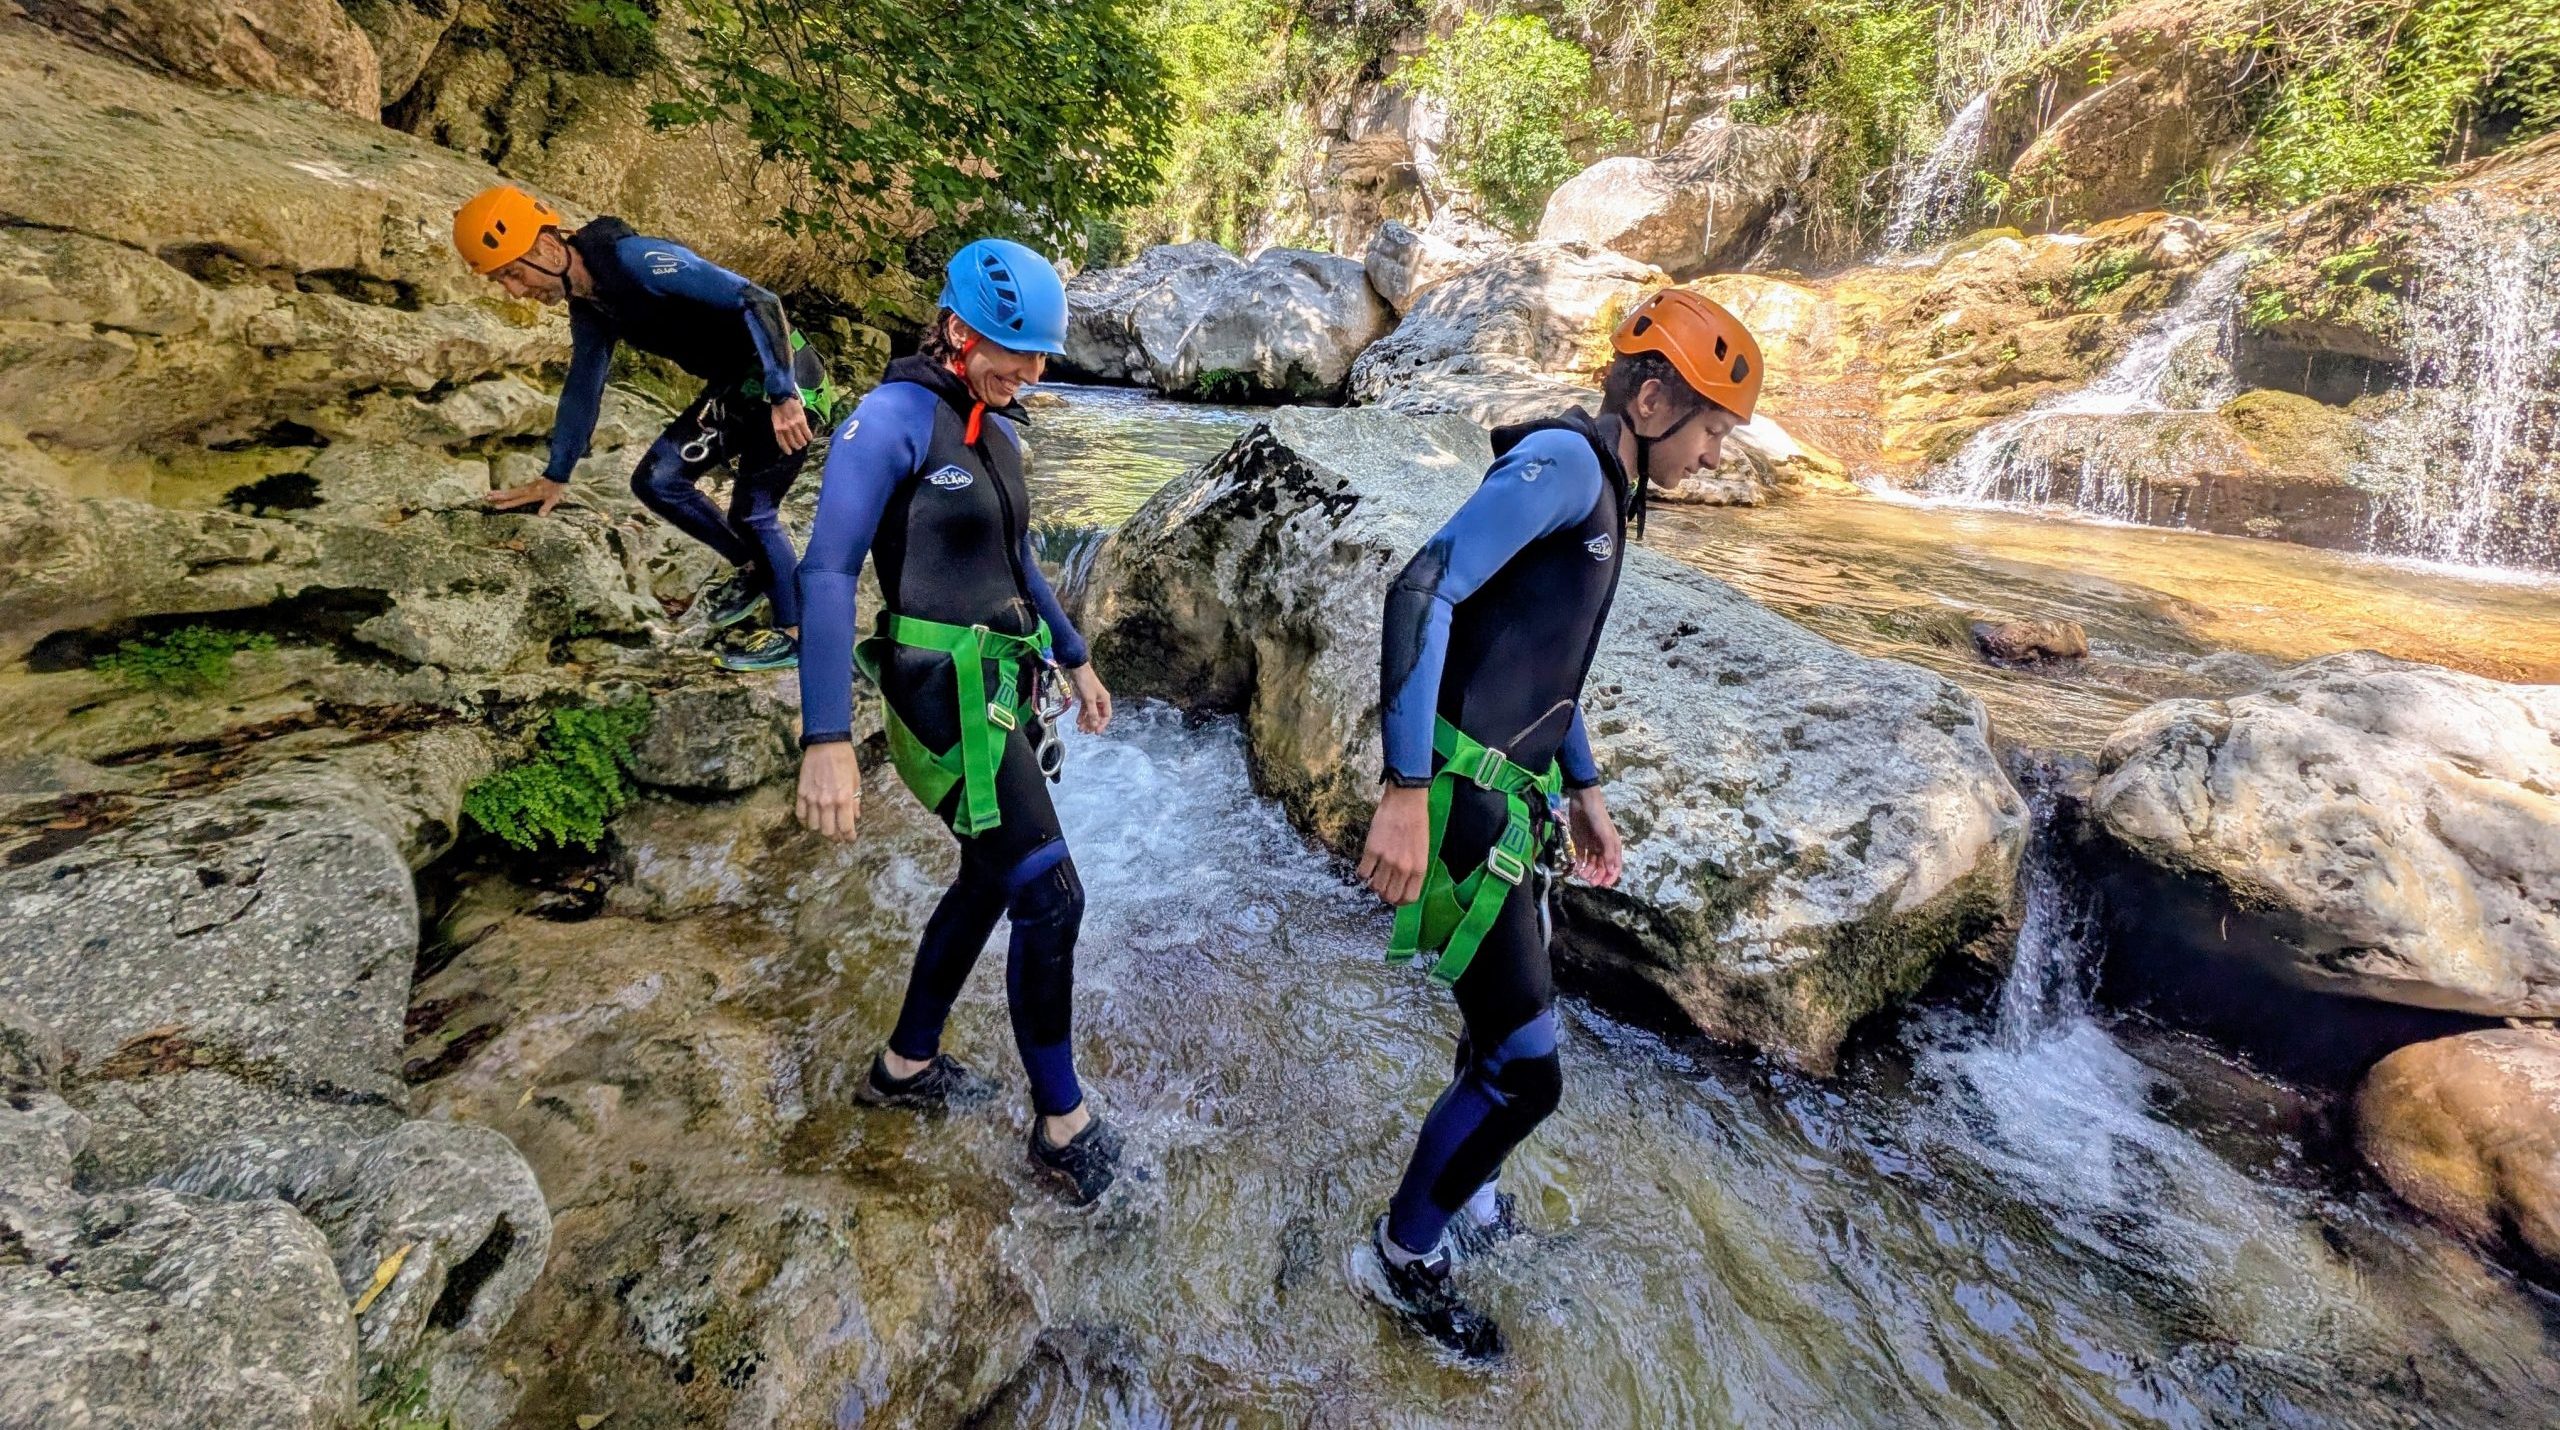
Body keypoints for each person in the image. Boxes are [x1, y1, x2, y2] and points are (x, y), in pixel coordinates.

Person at [1346, 289, 1763, 1359]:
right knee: (1528, 1068)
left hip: (1508, 796)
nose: (1715, 455)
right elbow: (1421, 588)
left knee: (1495, 1034)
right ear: (1657, 395)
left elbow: (1542, 657)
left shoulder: (1612, 488)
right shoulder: (1570, 468)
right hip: (1456, 796)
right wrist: (1402, 789)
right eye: (1714, 428)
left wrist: (1583, 787)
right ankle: (1404, 1253)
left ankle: (1469, 1193)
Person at [792, 237, 1124, 1204]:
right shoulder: (891, 419)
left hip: (1000, 688)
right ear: (956, 328)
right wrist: (824, 741)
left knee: (989, 882)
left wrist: (1073, 654)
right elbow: (824, 572)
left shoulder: (1001, 433)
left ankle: (905, 1066)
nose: (1028, 372)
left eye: (1039, 356)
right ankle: (1063, 1126)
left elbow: (1021, 565)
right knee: (1050, 897)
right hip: (939, 696)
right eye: (1010, 352)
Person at [450, 185, 836, 672]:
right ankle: (757, 569)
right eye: (503, 281)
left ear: (548, 248)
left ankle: (798, 633)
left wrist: (783, 395)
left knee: (754, 511)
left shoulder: (637, 260)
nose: (516, 289)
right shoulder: (592, 304)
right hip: (736, 388)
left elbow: (758, 300)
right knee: (658, 481)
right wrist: (556, 474)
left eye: (514, 272)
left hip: (791, 381)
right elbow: (583, 385)